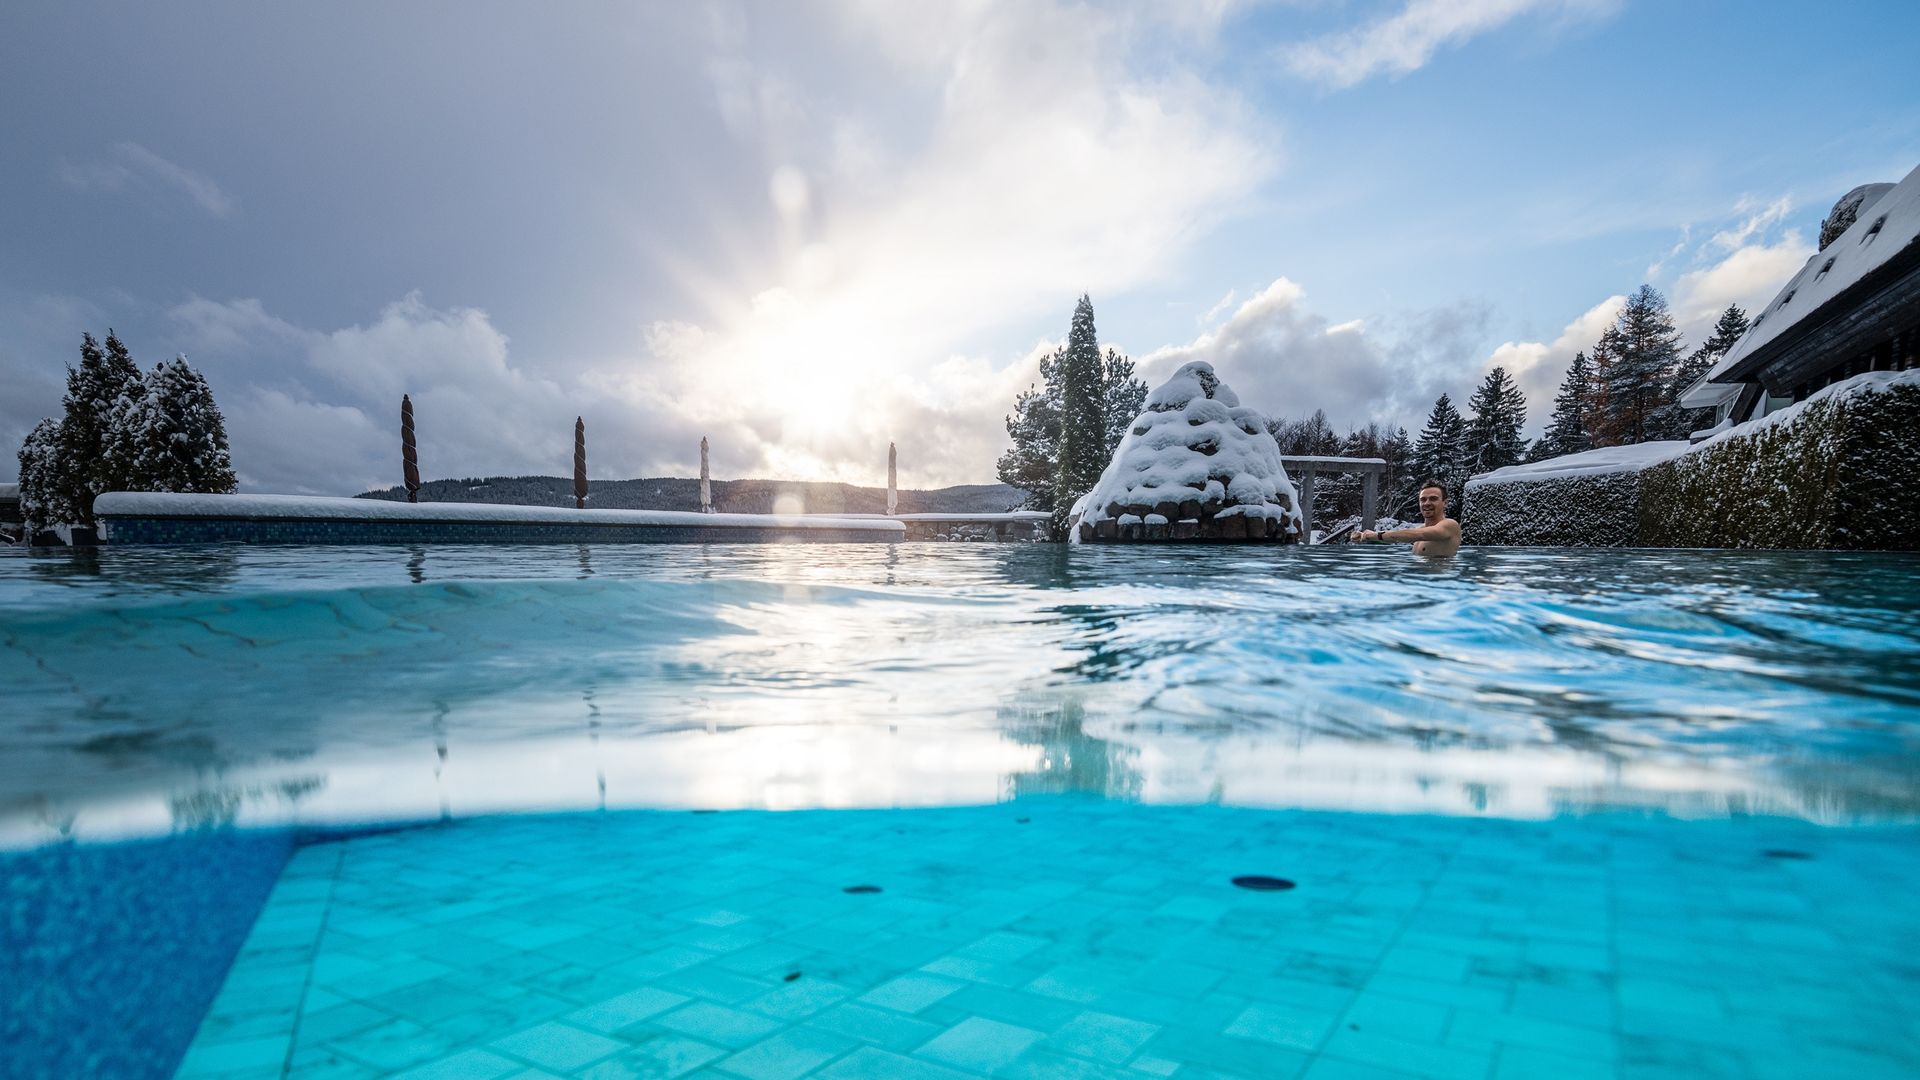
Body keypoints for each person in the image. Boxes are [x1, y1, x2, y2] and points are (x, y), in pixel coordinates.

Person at [1352, 480, 1461, 556]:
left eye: (1433, 499)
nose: (1427, 503)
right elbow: (1399, 538)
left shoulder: (1450, 525)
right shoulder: (1420, 530)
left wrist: (1373, 535)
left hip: (1439, 584)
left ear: (1445, 503)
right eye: (1423, 499)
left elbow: (1418, 535)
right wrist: (1365, 536)